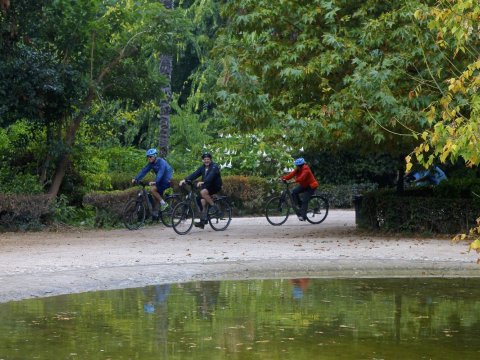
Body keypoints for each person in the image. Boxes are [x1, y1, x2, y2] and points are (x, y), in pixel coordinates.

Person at [179, 152, 222, 229]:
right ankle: (203, 220)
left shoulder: (214, 167)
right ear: (203, 160)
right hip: (207, 186)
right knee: (201, 201)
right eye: (205, 159)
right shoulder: (202, 167)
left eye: (208, 159)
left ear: (210, 159)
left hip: (215, 186)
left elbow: (211, 176)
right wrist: (185, 180)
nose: (206, 161)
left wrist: (204, 182)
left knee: (203, 192)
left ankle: (214, 208)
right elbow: (195, 174)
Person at [132, 148, 173, 220]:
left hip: (166, 179)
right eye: (148, 157)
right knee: (155, 196)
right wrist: (136, 178)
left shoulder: (161, 162)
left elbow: (161, 172)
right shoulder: (151, 163)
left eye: (150, 156)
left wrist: (155, 181)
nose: (149, 158)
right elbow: (144, 170)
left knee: (153, 190)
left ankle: (164, 204)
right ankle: (157, 215)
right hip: (160, 180)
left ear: (155, 156)